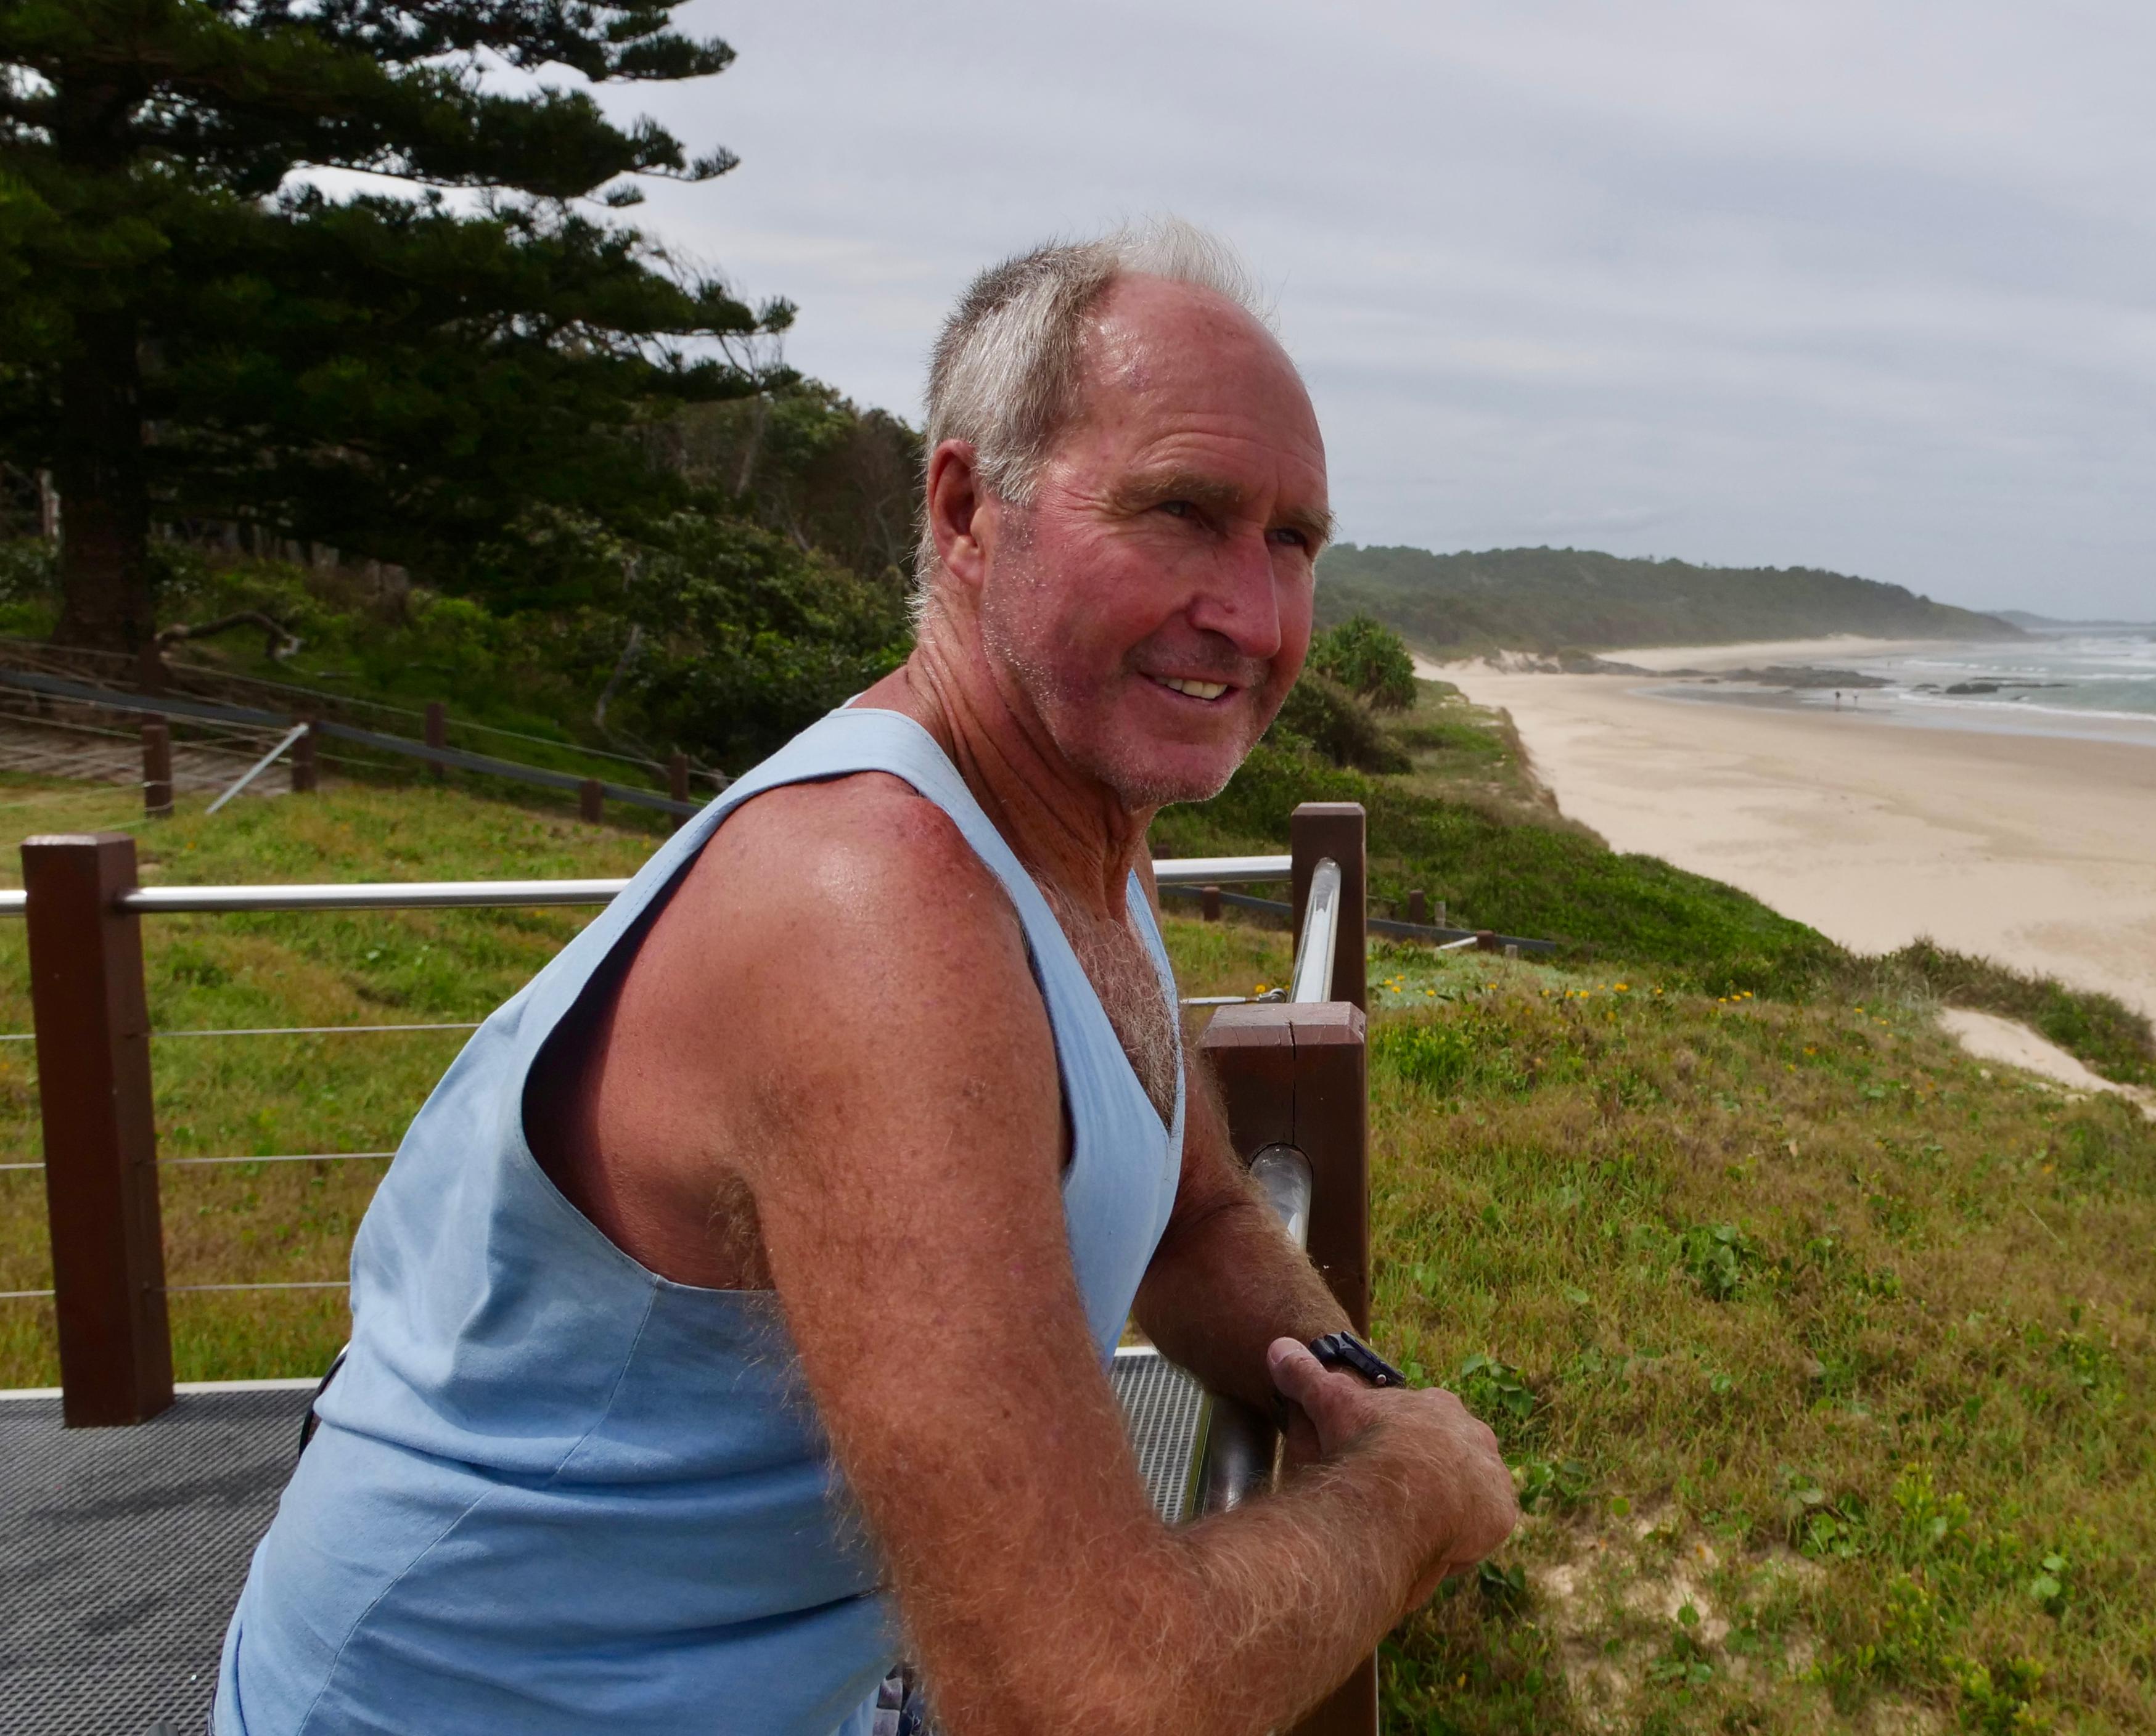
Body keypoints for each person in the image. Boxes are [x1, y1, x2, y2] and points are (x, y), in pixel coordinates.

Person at [212, 220, 1519, 1735]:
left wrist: (1355, 1393)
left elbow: (1201, 1213)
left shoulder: (1082, 836)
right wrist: (1412, 1497)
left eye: (1293, 539)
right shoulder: (875, 909)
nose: (1255, 612)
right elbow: (1083, 1699)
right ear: (969, 510)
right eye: (1180, 512)